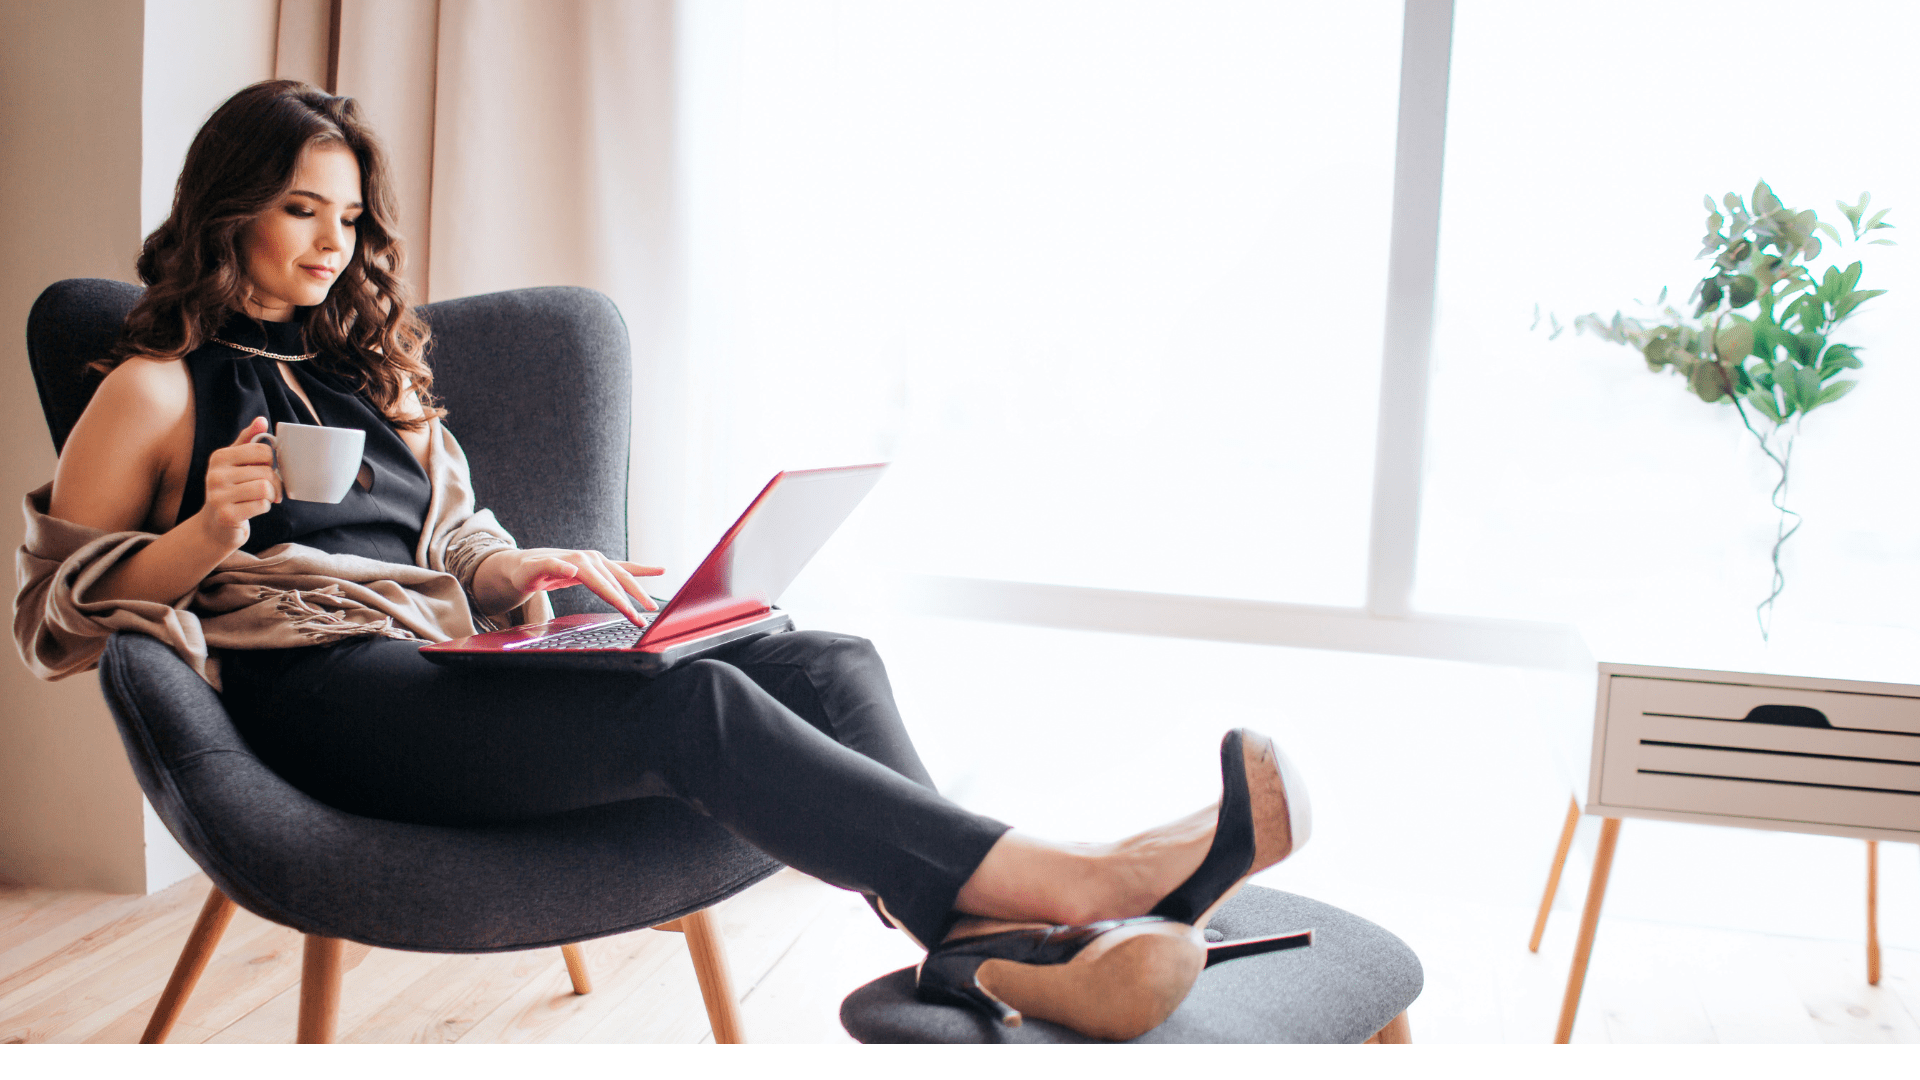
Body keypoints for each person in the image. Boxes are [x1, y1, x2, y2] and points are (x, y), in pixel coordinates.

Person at [14, 80, 1311, 1041]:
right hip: (322, 704)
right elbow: (51, 622)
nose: (331, 242)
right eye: (301, 209)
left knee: (823, 658)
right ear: (227, 206)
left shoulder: (374, 375)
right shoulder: (154, 390)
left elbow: (451, 537)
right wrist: (204, 537)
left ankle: (975, 945)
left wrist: (515, 571)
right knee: (692, 707)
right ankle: (1072, 884)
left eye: (349, 217)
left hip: (442, 667)